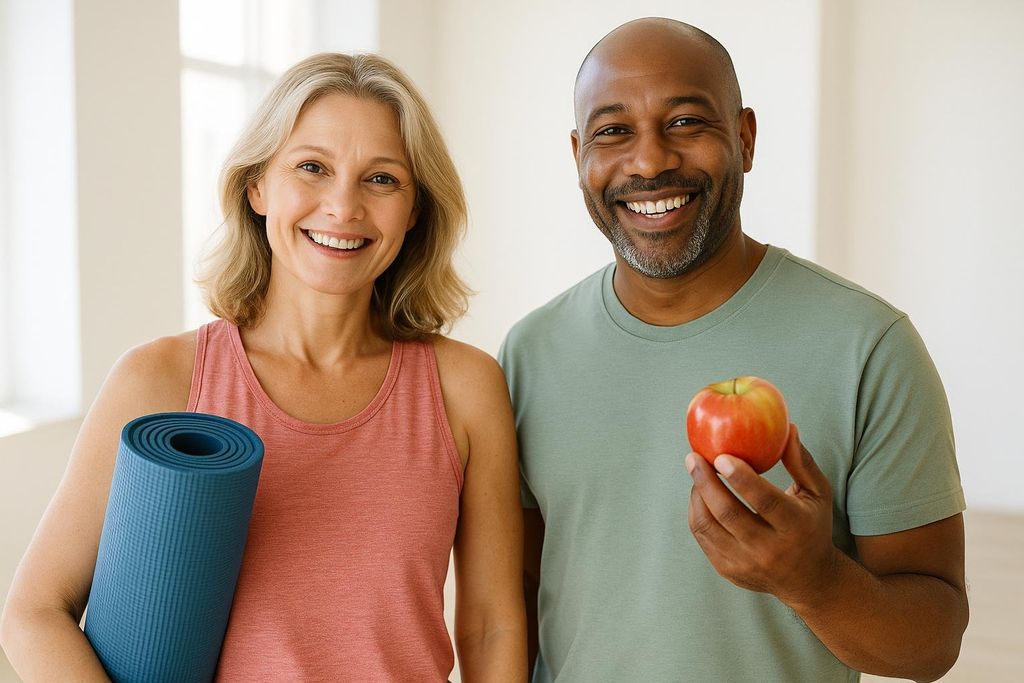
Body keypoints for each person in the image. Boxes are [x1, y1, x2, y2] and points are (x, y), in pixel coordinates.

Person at [0, 53, 527, 682]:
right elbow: (33, 613)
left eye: (382, 179)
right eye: (311, 167)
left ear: (415, 209)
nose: (343, 205)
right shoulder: (162, 381)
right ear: (257, 187)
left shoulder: (464, 387)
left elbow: (492, 620)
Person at [498, 18, 968, 683]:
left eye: (687, 122)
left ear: (744, 138)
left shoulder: (870, 346)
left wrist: (815, 580)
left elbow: (932, 643)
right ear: (579, 155)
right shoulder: (529, 353)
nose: (650, 160)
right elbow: (511, 608)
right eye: (612, 131)